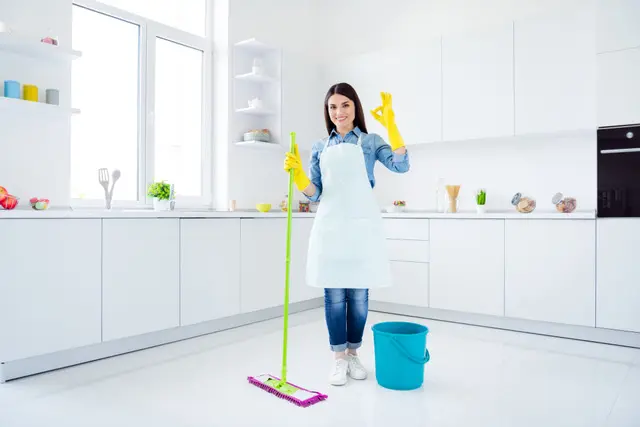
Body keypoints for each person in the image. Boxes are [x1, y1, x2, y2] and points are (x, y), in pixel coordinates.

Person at [283, 82, 410, 386]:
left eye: (345, 105)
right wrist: (299, 176)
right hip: (330, 226)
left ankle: (354, 354)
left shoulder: (370, 142)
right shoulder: (319, 147)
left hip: (362, 226)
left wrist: (392, 125)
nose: (339, 112)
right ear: (327, 111)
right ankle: (338, 359)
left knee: (359, 296)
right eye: (332, 107)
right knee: (334, 296)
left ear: (355, 107)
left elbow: (401, 165)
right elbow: (316, 194)